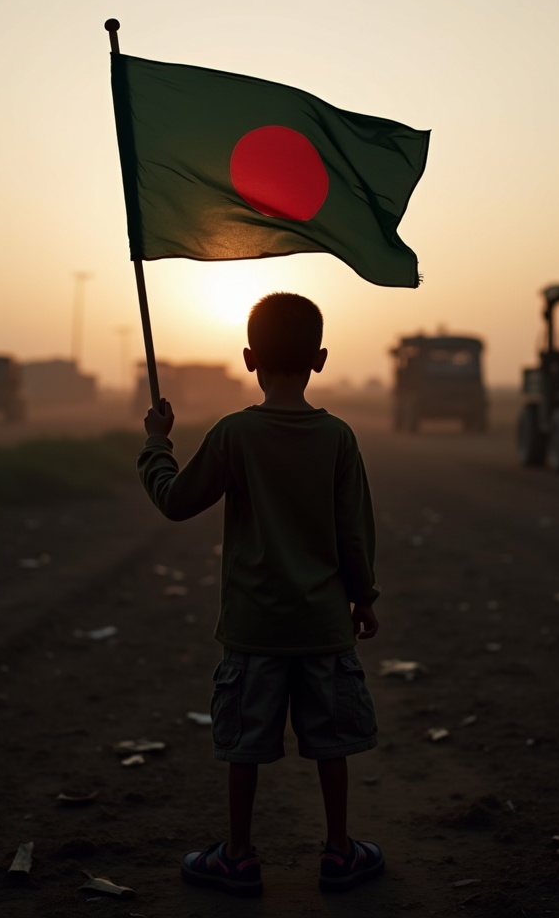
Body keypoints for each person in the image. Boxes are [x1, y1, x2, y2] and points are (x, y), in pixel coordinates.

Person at [138, 292, 384, 896]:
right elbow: (355, 531)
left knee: (243, 746)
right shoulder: (339, 438)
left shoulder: (234, 434)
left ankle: (240, 856)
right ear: (320, 359)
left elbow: (175, 501)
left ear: (249, 358)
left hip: (253, 628)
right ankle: (339, 852)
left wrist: (156, 444)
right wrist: (364, 597)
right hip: (324, 624)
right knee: (331, 745)